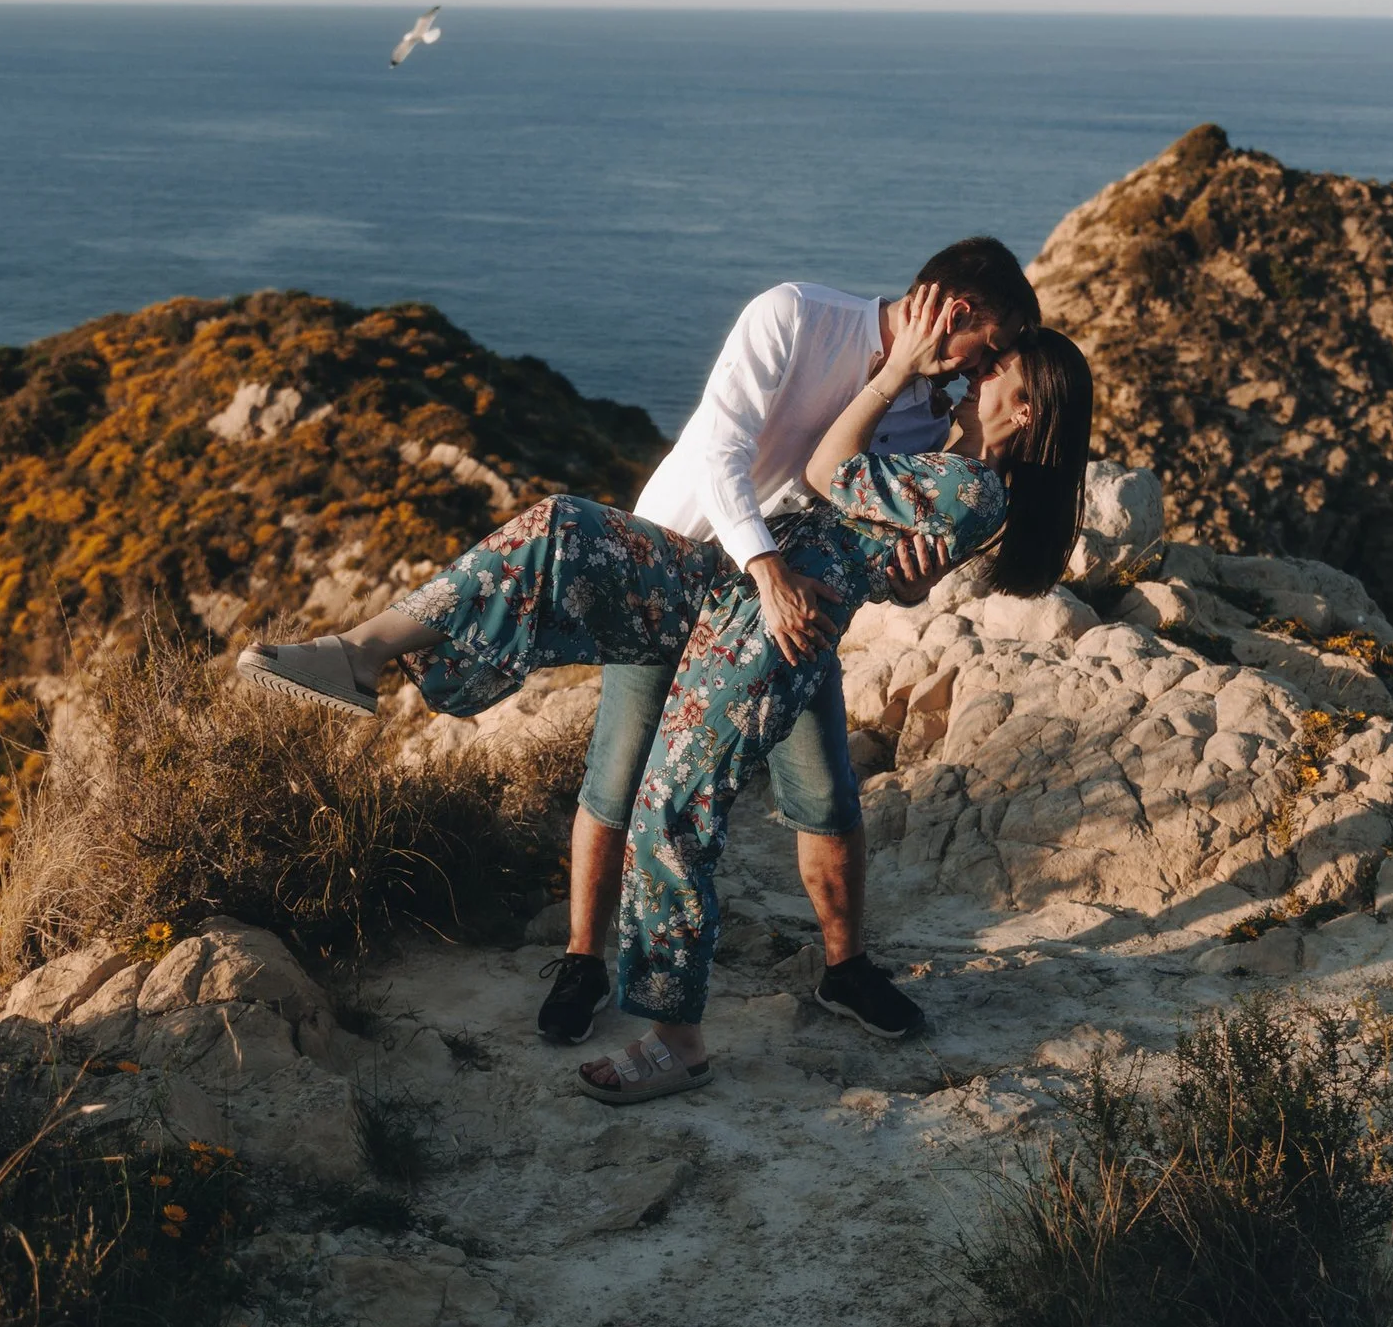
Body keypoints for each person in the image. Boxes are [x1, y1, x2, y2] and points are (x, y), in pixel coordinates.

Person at [237, 305, 1094, 1104]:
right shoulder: (931, 448)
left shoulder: (972, 487)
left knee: (671, 808)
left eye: (998, 376)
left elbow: (830, 470)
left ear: (1022, 415)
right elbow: (882, 544)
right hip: (732, 579)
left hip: (777, 628)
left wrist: (894, 371)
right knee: (557, 528)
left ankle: (677, 1037)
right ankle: (360, 654)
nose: (973, 374)